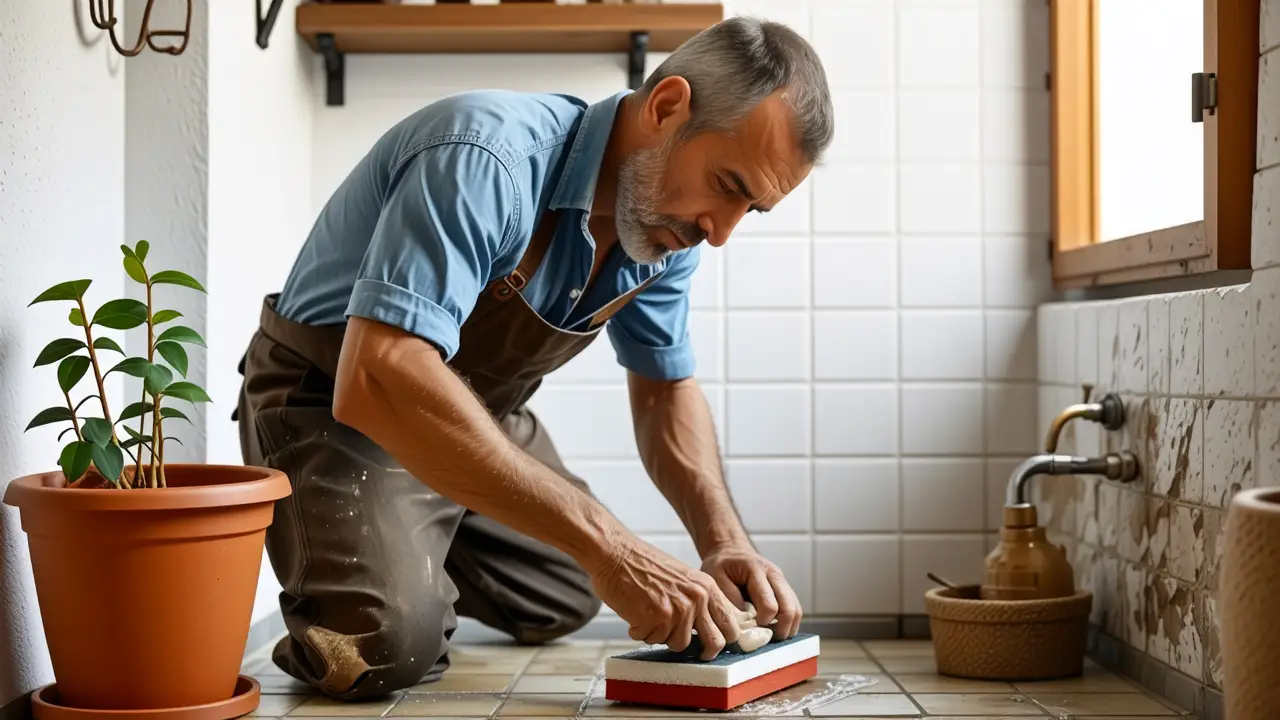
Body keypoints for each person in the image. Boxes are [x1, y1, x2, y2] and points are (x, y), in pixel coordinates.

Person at [234, 15, 834, 701]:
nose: (719, 234)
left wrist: (723, 542)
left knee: (568, 592)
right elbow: (381, 375)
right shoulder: (485, 157)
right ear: (667, 107)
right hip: (334, 405)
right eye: (728, 185)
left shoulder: (663, 230)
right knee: (384, 647)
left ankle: (413, 537)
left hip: (467, 413)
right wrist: (610, 545)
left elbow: (666, 390)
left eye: (750, 210)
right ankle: (386, 583)